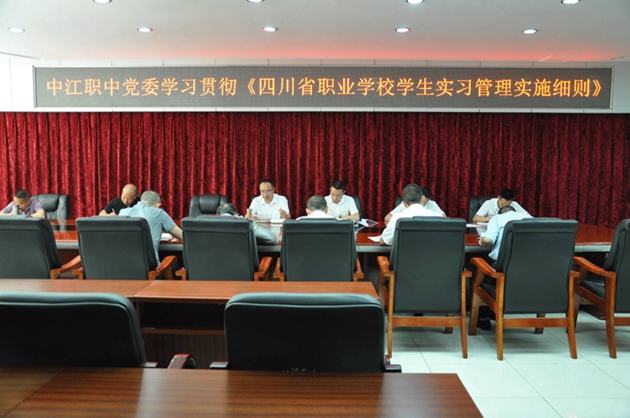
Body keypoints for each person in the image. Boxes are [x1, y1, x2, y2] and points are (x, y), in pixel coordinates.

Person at [476, 205, 533, 329]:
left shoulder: (497, 218)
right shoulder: (531, 219)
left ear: (500, 213)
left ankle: (483, 319)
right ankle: (494, 313)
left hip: (504, 270)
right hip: (531, 272)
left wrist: (480, 240)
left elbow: (487, 241)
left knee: (480, 277)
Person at [118, 190, 183, 261]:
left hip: (121, 264)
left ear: (139, 201)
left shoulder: (122, 212)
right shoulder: (158, 212)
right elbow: (183, 236)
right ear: (158, 205)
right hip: (149, 266)